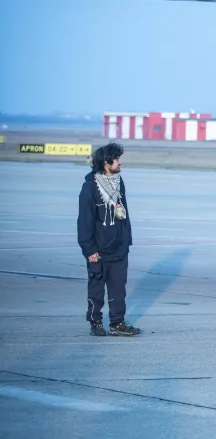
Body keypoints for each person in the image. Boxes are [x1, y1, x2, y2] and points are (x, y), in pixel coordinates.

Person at [77, 142, 140, 337]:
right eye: (117, 159)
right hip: (99, 250)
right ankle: (95, 322)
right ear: (106, 163)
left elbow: (125, 214)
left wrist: (126, 240)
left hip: (119, 248)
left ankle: (117, 323)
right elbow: (84, 222)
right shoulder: (90, 188)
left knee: (118, 289)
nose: (120, 162)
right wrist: (89, 250)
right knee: (96, 288)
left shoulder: (119, 183)